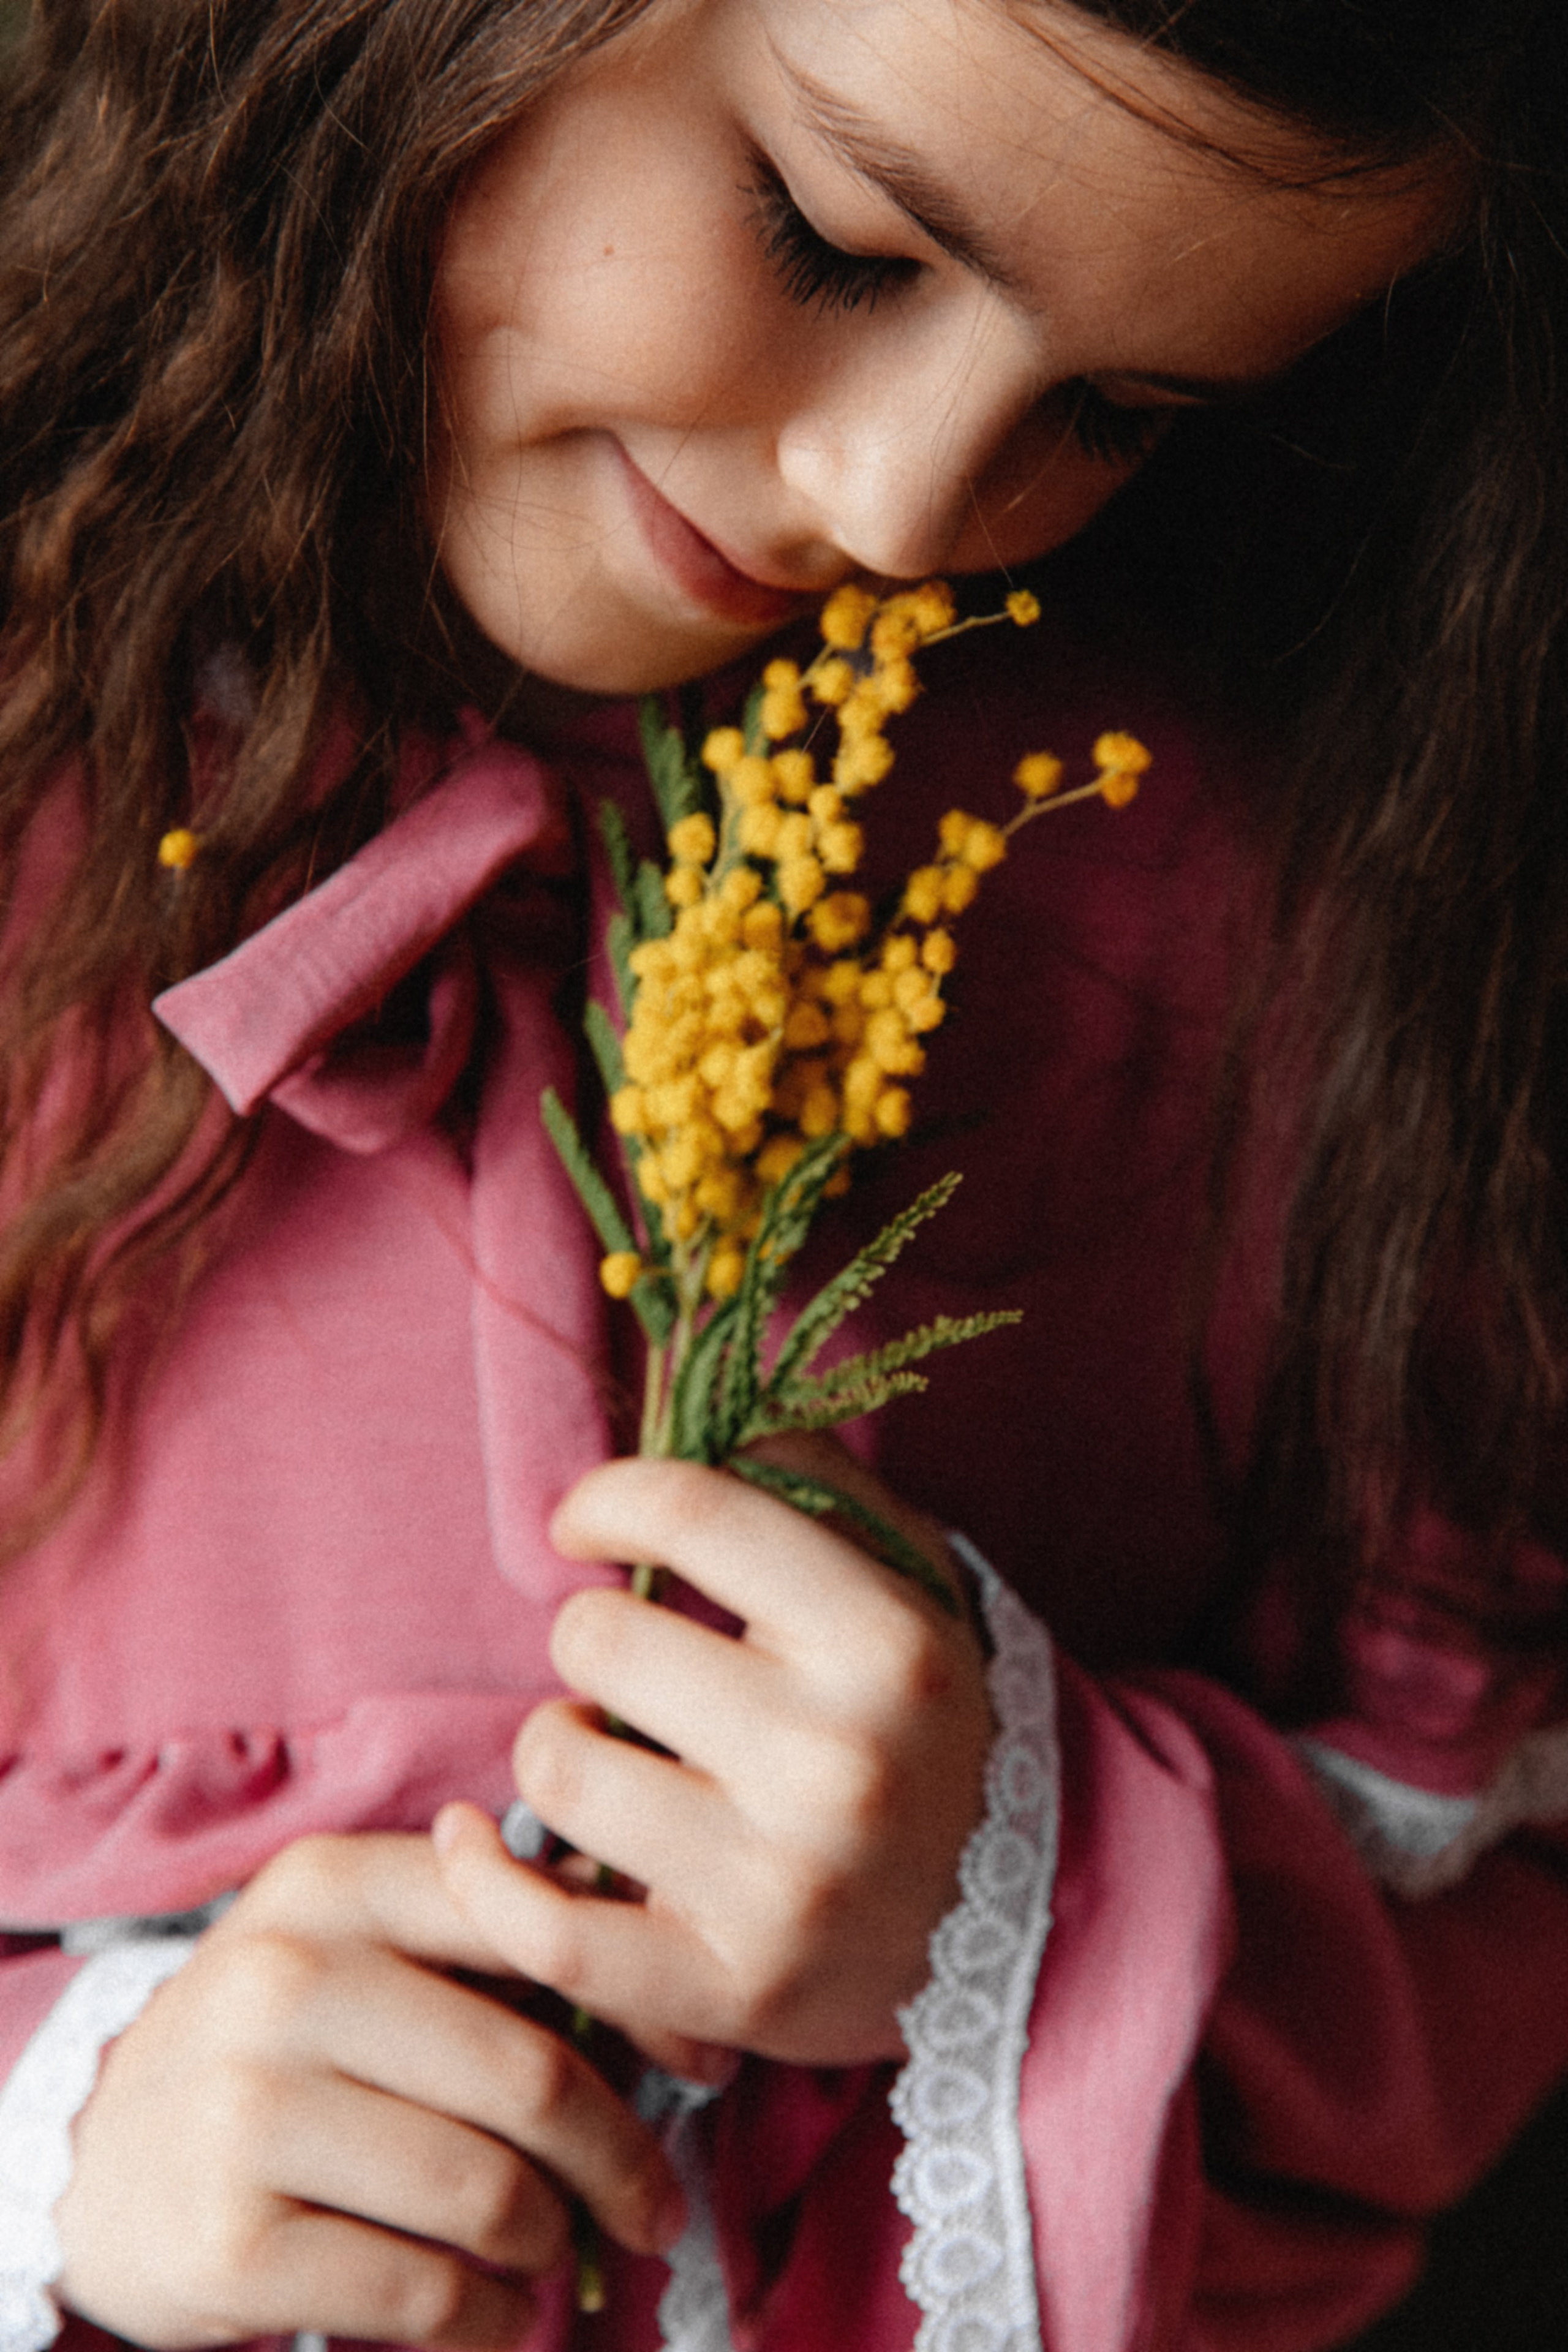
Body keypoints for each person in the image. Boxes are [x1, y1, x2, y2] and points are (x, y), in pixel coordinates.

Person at [0, 0, 1565, 2346]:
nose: (903, 511)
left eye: (1119, 411)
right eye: (832, 236)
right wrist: (74, 2141)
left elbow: (1439, 2005)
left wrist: (1010, 1893)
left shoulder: (1297, 954)